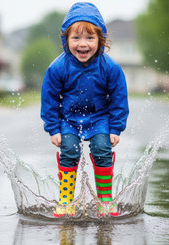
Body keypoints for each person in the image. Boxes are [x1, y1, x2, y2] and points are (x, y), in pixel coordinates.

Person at [40, 2, 129, 217]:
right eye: (76, 38)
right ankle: (66, 201)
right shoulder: (57, 68)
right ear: (66, 39)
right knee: (70, 151)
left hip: (99, 119)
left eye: (90, 38)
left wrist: (115, 129)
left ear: (100, 40)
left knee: (101, 149)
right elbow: (49, 99)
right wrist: (54, 129)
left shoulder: (110, 68)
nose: (83, 44)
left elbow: (119, 99)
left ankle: (105, 201)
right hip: (68, 119)